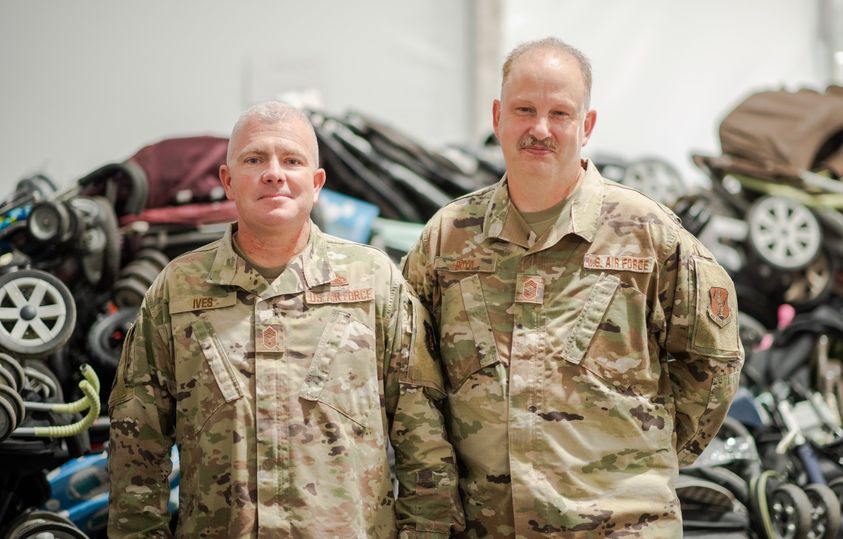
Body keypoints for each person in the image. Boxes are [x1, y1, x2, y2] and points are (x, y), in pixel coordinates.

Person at [402, 37, 744, 537]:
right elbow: (413, 381)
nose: (540, 129)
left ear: (586, 126)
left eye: (559, 113)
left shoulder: (647, 233)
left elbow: (712, 361)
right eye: (525, 109)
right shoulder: (449, 238)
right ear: (498, 116)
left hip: (621, 526)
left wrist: (646, 459)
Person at [108, 101, 464, 538]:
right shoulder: (178, 289)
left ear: (316, 184)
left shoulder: (373, 281)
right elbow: (137, 444)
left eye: (291, 160)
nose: (274, 173)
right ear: (227, 182)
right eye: (255, 159)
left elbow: (423, 439)